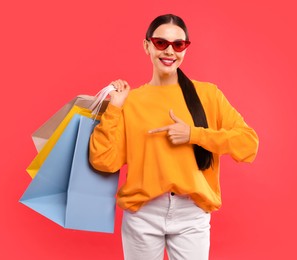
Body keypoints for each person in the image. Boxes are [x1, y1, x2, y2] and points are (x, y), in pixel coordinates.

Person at [89, 14, 259, 260]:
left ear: (185, 49)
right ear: (146, 45)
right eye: (160, 43)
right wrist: (114, 108)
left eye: (178, 45)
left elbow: (249, 145)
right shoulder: (131, 102)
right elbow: (104, 161)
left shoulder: (208, 95)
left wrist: (194, 134)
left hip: (191, 214)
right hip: (142, 215)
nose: (169, 51)